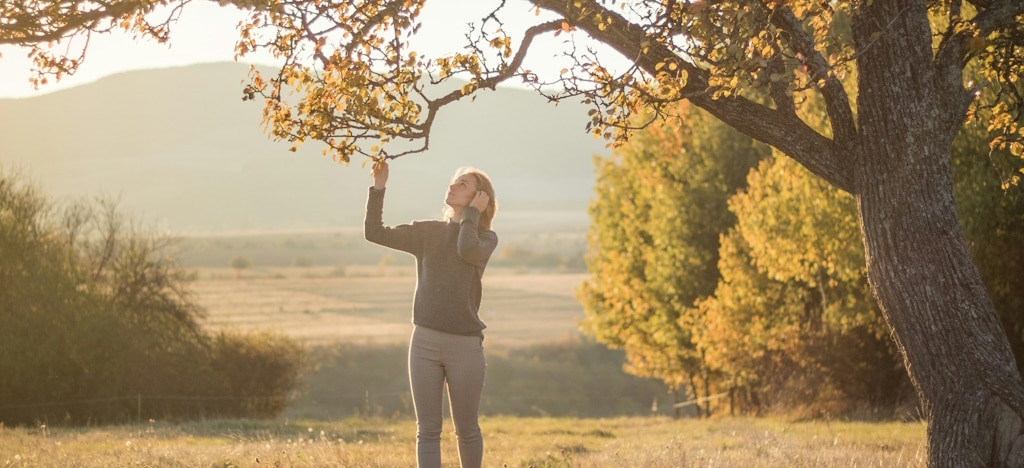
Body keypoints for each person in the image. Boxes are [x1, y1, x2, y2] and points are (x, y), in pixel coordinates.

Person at [364, 161, 498, 468]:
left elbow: (466, 249)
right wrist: (379, 188)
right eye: (453, 181)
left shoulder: (486, 240)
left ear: (480, 198)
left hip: (465, 346)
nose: (452, 186)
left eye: (462, 184)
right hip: (423, 341)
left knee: (466, 430)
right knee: (427, 430)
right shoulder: (427, 232)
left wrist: (473, 216)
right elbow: (374, 233)